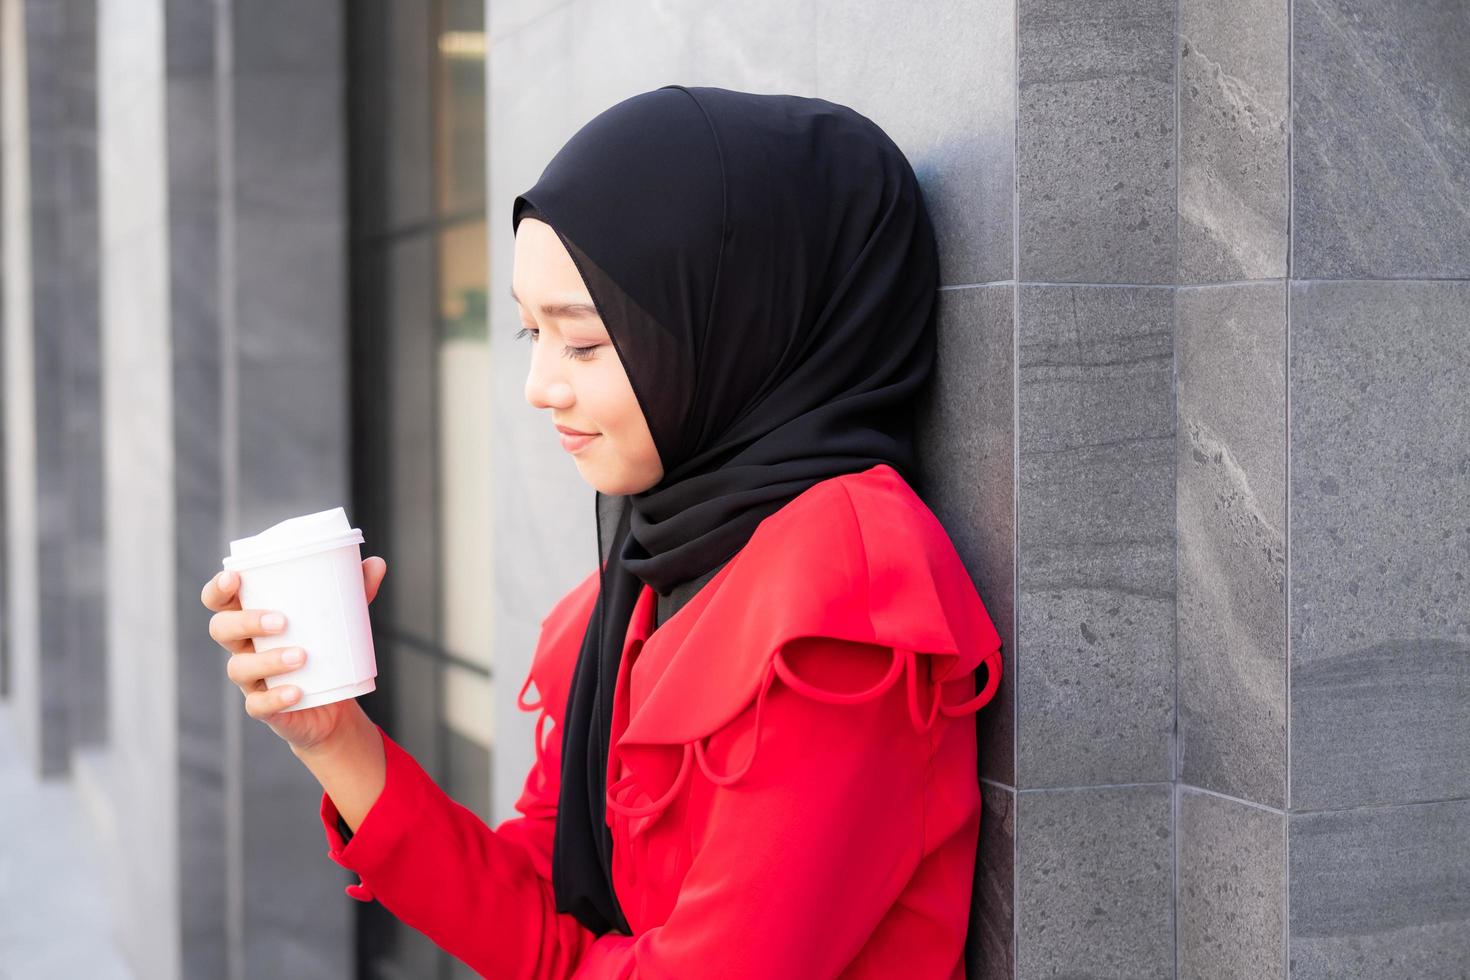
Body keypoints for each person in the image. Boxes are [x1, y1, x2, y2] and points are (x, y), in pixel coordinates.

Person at [201, 84, 1003, 979]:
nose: (541, 385)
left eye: (583, 343)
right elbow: (536, 910)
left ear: (734, 324)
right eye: (528, 333)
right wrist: (334, 736)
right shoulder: (642, 571)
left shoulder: (843, 604)